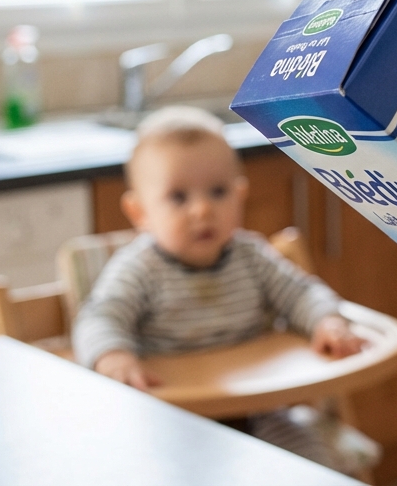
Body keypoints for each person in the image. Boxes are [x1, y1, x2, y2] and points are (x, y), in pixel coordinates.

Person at [72, 106, 371, 474]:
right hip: (175, 419)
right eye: (178, 197)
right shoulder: (139, 269)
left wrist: (327, 321)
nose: (202, 210)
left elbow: (300, 293)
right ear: (139, 212)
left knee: (310, 466)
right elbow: (101, 315)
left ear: (240, 193)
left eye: (218, 191)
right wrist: (113, 355)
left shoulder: (250, 256)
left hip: (261, 410)